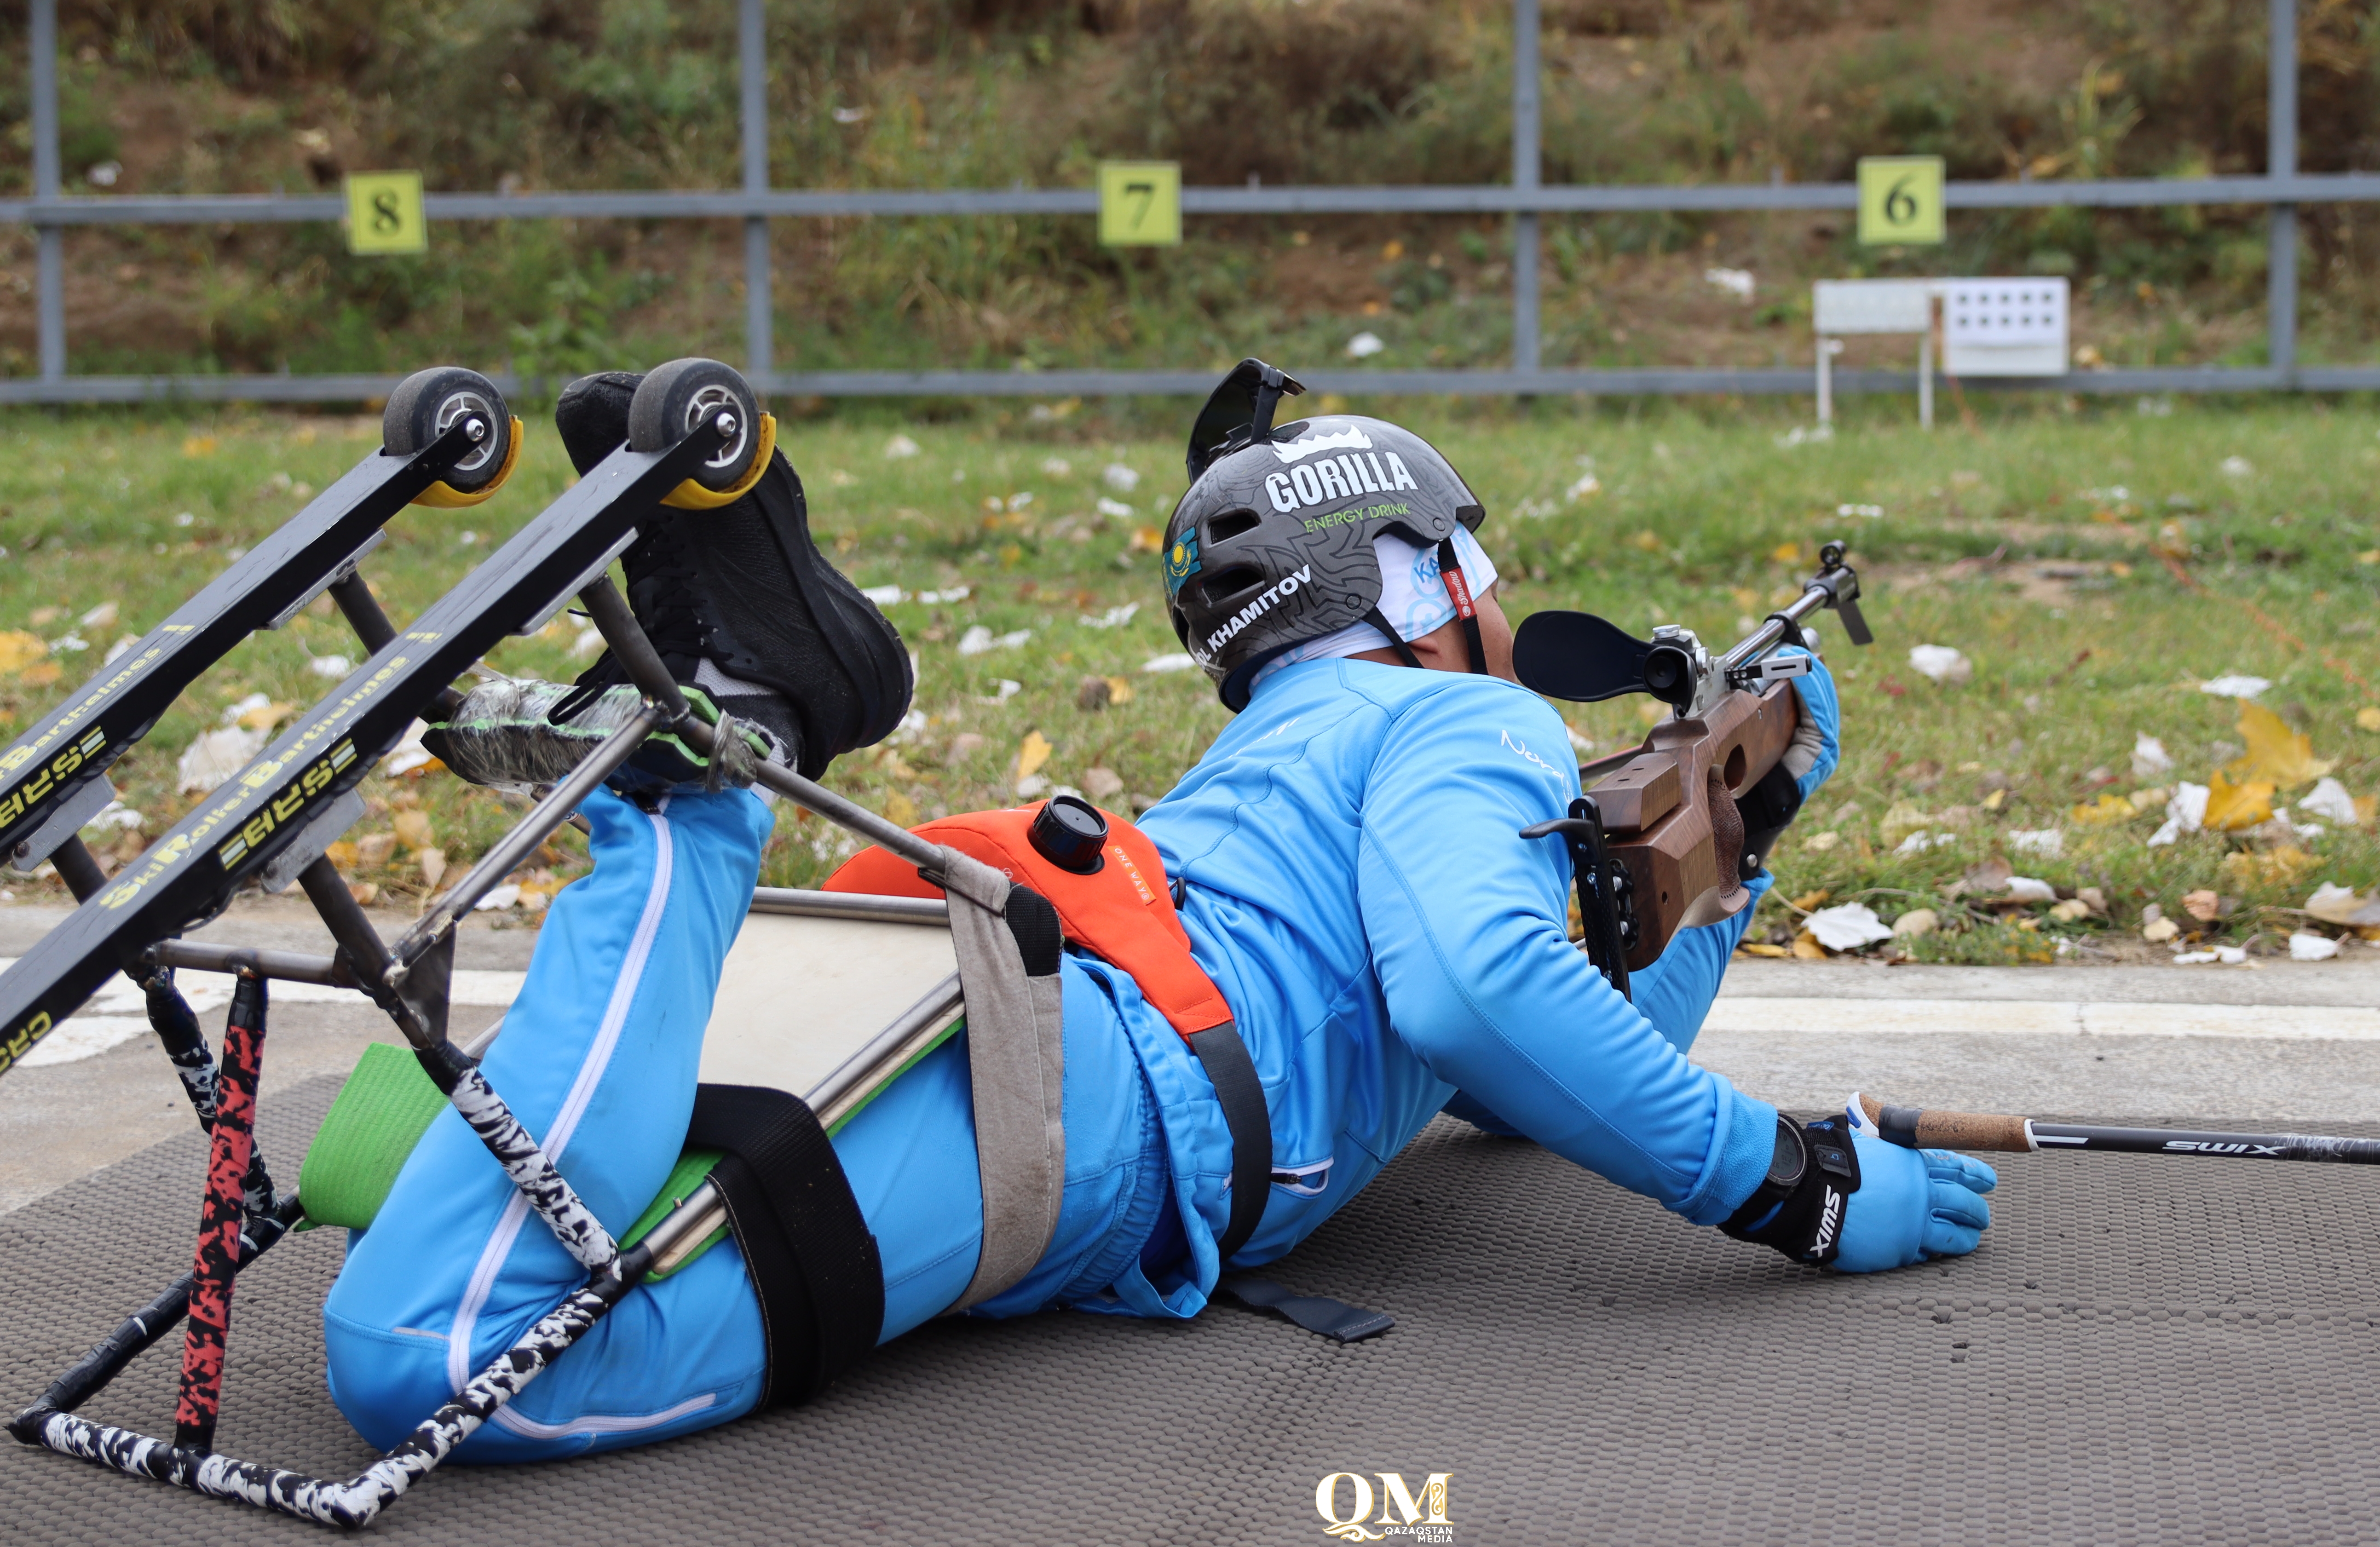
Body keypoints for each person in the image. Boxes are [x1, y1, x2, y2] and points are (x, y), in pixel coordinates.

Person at [326, 367, 1994, 1461]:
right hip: (1106, 1103)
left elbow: (1534, 1073)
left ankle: (709, 738)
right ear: (1409, 584)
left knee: (604, 1201)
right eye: (1469, 559)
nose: (1492, 594)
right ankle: (708, 770)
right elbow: (1486, 1002)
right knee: (448, 1355)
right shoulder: (1471, 723)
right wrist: (1797, 1190)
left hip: (1036, 1009)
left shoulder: (1277, 774)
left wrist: (1734, 836)